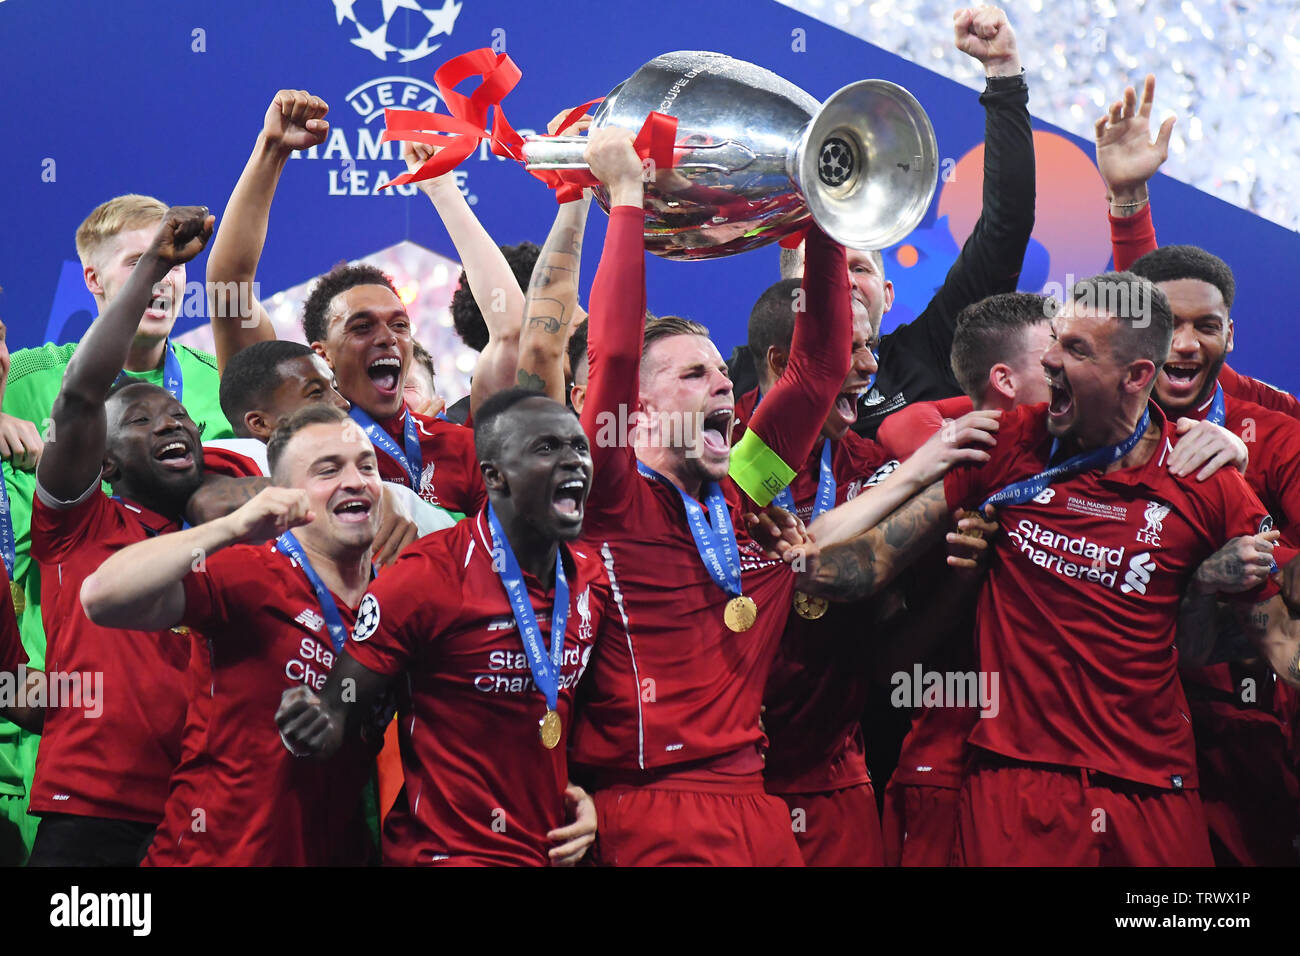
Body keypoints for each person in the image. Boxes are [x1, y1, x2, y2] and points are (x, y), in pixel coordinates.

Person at [791, 272, 1300, 865]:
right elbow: (872, 561)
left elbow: (1282, 641)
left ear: (1137, 376)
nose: (1052, 360)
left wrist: (1216, 587)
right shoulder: (1007, 445)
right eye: (1056, 340)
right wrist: (788, 563)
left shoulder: (1204, 476)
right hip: (1018, 787)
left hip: (1155, 789)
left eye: (1076, 350)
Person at [567, 125, 865, 866]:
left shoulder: (743, 493)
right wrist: (628, 202)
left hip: (757, 804)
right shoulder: (609, 495)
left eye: (721, 372)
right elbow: (614, 355)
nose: (723, 385)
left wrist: (819, 217)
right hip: (648, 808)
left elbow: (818, 369)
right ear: (635, 411)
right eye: (692, 377)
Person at [275, 389, 604, 866]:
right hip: (447, 854)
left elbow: (581, 723)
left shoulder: (591, 578)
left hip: (550, 851)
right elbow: (340, 707)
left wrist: (585, 799)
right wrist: (311, 721)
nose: (573, 461)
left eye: (579, 447)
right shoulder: (426, 575)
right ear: (494, 477)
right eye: (547, 448)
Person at [0, 195, 234, 862]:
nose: (160, 280)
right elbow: (79, 397)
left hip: (201, 762)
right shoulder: (26, 383)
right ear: (95, 281)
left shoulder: (215, 389)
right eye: (137, 263)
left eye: (168, 264)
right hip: (64, 743)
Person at [738, 277, 996, 865]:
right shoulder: (722, 458)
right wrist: (916, 470)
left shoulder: (870, 462)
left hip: (836, 776)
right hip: (727, 775)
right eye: (849, 349)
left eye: (871, 345)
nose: (870, 365)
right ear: (785, 363)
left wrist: (961, 582)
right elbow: (786, 553)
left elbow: (889, 654)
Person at [80, 404, 387, 865]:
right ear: (283, 494)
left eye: (366, 466)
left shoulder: (397, 598)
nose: (355, 481)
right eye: (328, 470)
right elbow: (101, 597)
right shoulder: (250, 571)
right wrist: (233, 526)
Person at [729, 4, 1037, 442]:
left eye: (859, 268)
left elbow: (1008, 225)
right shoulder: (742, 374)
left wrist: (1004, 75)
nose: (843, 282)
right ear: (787, 293)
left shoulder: (931, 352)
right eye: (823, 269)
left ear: (888, 295)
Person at [204, 90, 485, 517]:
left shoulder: (456, 445)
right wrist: (272, 150)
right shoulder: (297, 429)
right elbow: (230, 287)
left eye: (399, 325)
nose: (388, 339)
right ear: (322, 354)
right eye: (361, 326)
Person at [1094, 73, 1300, 418]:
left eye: (1206, 327)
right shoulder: (1082, 409)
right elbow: (1148, 297)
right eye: (1169, 326)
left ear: (1228, 335)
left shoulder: (1268, 416)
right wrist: (1127, 195)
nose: (1185, 345)